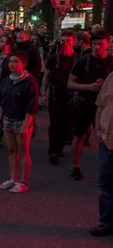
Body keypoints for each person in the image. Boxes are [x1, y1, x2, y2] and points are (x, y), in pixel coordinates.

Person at [67, 31, 113, 180]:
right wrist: (89, 87)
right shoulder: (83, 61)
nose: (97, 47)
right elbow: (70, 83)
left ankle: (105, 168)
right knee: (79, 135)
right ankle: (75, 166)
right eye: (94, 44)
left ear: (107, 45)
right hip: (84, 103)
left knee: (106, 137)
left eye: (101, 44)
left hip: (105, 107)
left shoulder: (111, 62)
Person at [0, 52, 39, 193]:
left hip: (22, 120)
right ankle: (12, 179)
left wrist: (26, 126)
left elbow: (31, 106)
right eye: (10, 62)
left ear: (23, 64)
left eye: (15, 61)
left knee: (23, 151)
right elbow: (2, 102)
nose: (12, 64)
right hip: (7, 119)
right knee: (11, 150)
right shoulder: (6, 81)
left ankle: (23, 181)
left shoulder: (30, 82)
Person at [41, 30, 78, 164]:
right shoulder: (53, 58)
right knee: (55, 123)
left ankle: (60, 147)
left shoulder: (77, 59)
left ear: (73, 42)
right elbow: (46, 75)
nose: (64, 44)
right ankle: (53, 150)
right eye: (62, 41)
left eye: (67, 41)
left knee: (66, 123)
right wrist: (43, 93)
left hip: (71, 95)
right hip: (56, 94)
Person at [90, 71, 113, 236]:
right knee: (105, 183)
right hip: (107, 139)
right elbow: (100, 105)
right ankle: (107, 222)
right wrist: (97, 128)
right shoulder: (111, 77)